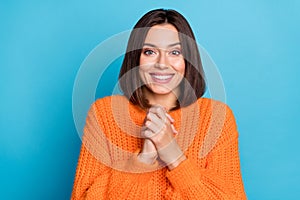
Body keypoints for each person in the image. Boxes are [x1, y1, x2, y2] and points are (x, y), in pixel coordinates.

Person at [71, 9, 247, 199]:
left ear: (188, 59)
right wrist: (142, 160)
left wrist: (172, 154)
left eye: (174, 52)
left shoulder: (216, 117)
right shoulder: (104, 114)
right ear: (136, 58)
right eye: (150, 51)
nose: (162, 63)